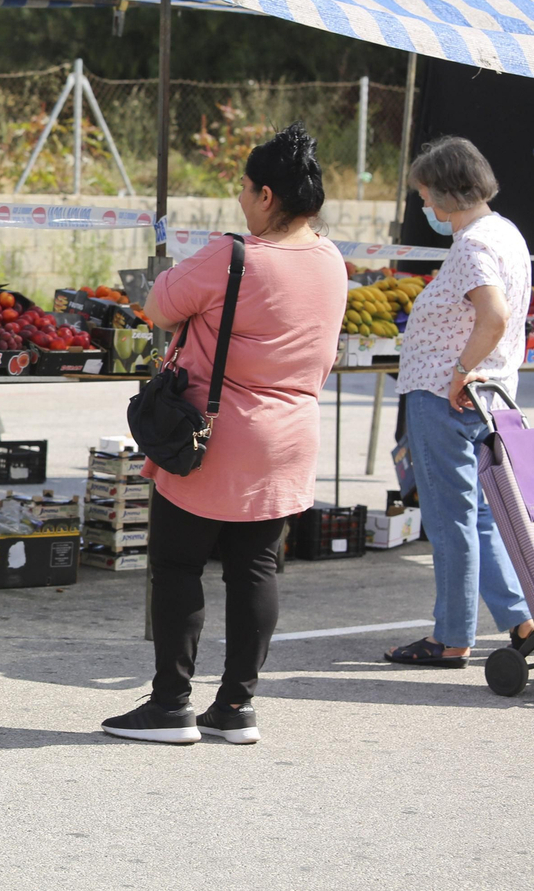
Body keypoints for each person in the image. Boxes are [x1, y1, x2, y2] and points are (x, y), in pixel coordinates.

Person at [102, 122, 345, 746]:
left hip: (215, 438)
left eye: (243, 187)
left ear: (267, 195)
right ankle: (237, 708)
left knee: (178, 564)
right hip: (291, 435)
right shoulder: (332, 261)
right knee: (256, 568)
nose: (239, 198)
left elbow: (157, 305)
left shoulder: (234, 254)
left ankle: (170, 705)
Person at [383, 137, 534, 669]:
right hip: (487, 397)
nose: (425, 207)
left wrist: (459, 370)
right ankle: (519, 617)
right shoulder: (506, 233)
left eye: (425, 196)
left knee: (451, 521)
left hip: (448, 396)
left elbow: (491, 315)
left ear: (446, 194)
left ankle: (451, 637)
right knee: (485, 516)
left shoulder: (471, 245)